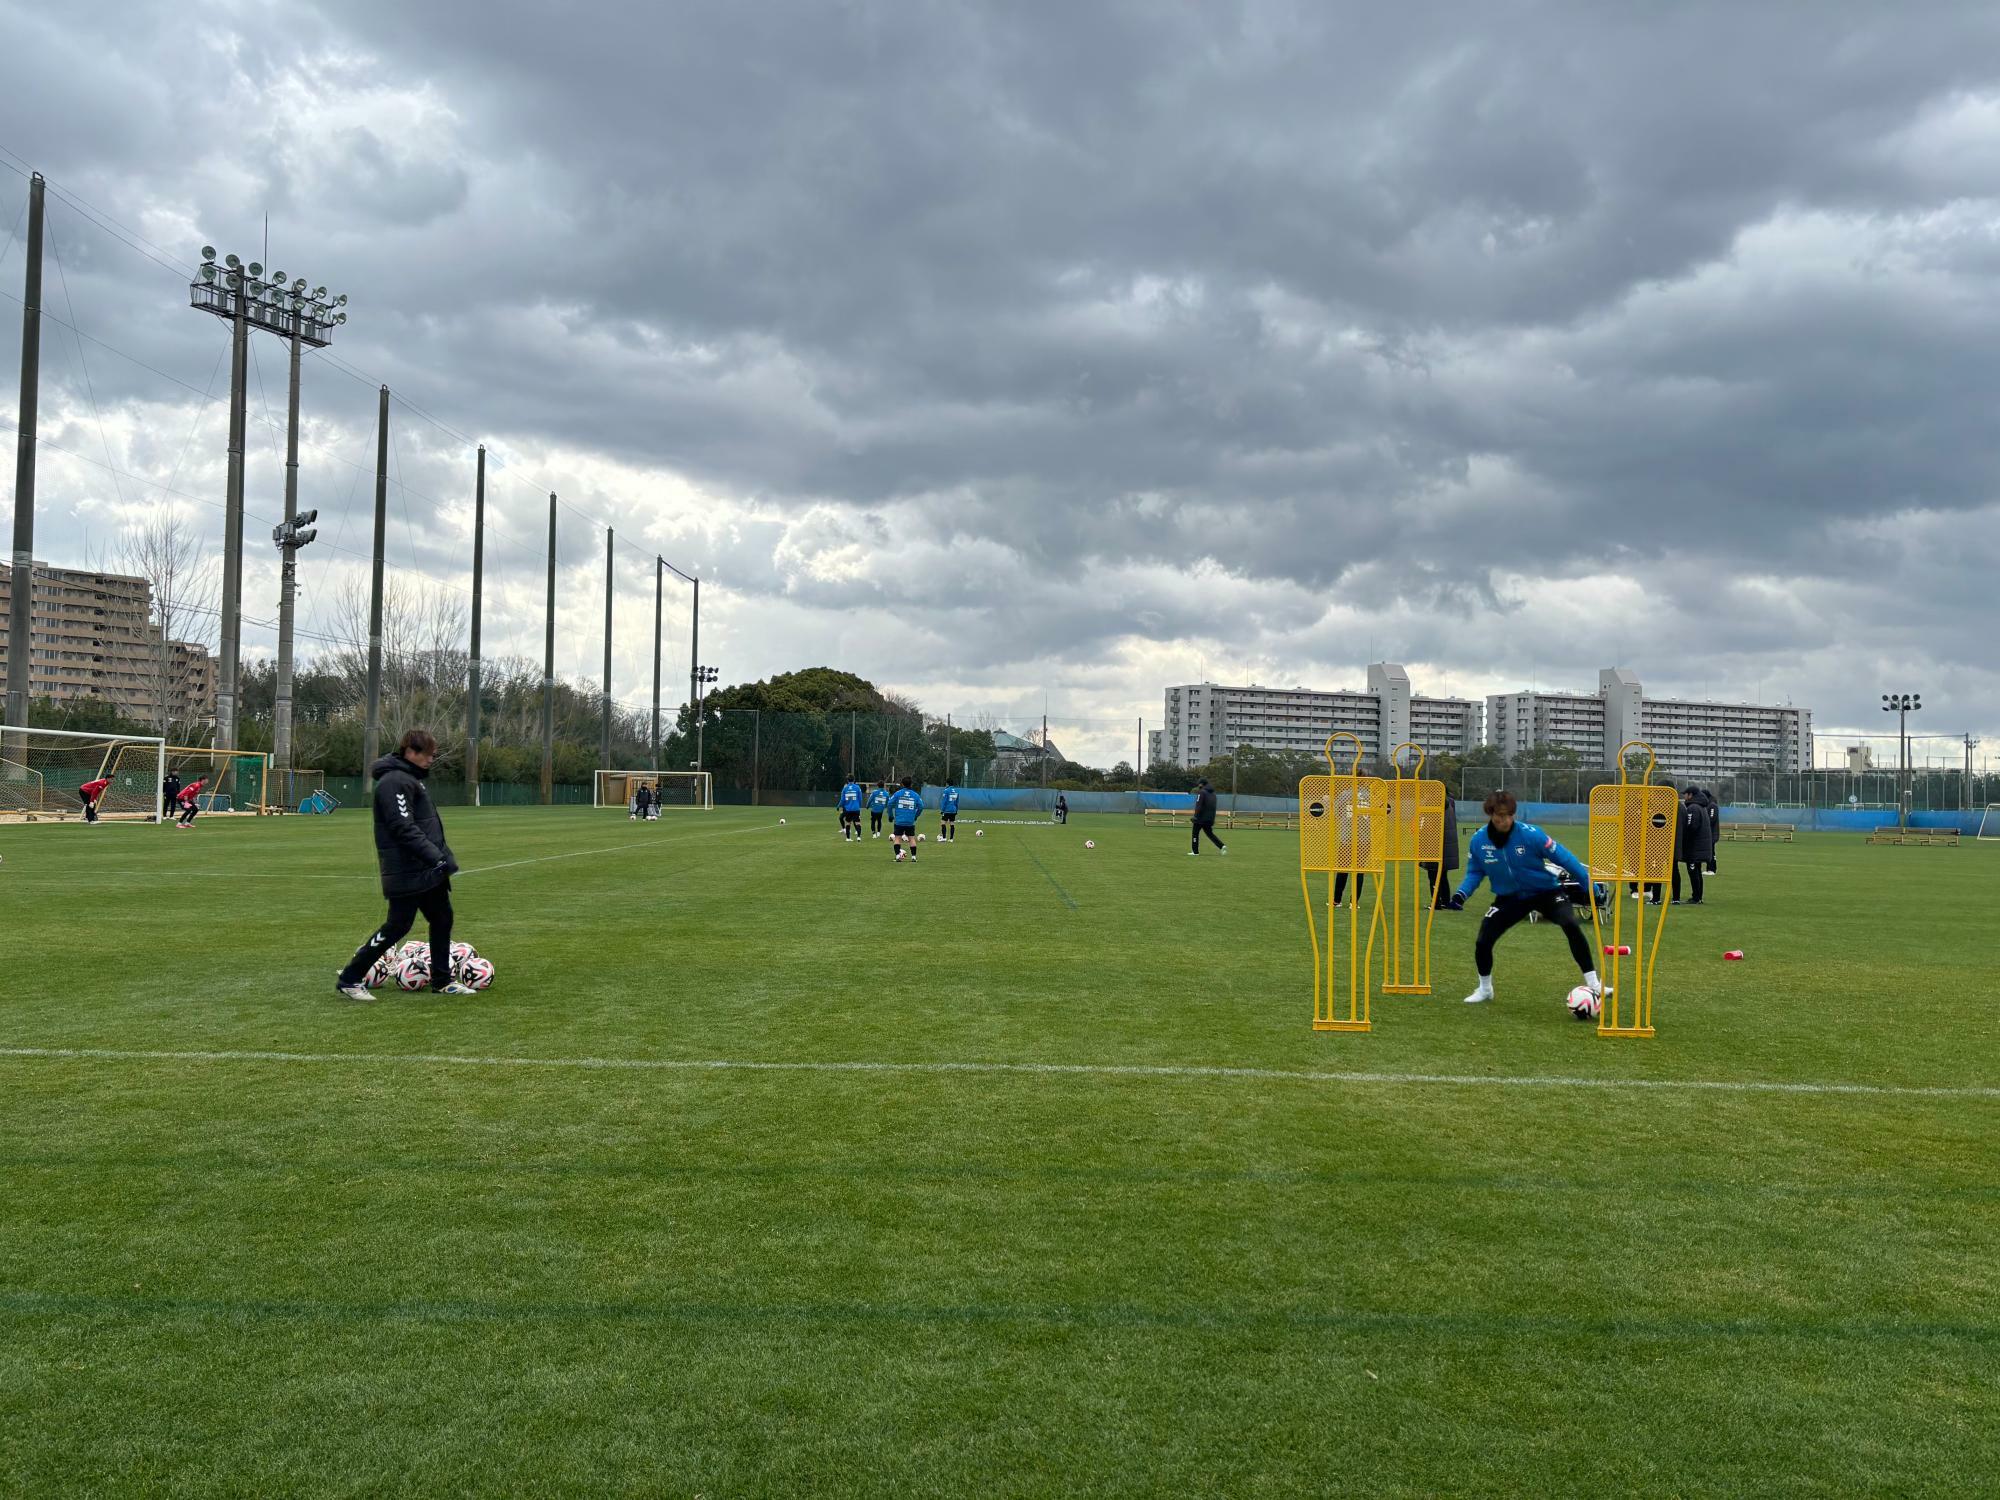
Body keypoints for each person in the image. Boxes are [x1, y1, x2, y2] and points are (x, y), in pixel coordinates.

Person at [334, 729, 475, 1002]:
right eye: (428, 754)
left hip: (424, 871)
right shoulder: (394, 782)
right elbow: (402, 827)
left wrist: (439, 858)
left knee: (442, 918)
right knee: (397, 925)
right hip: (408, 870)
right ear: (411, 751)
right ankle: (350, 977)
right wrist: (436, 856)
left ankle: (443, 981)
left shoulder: (409, 779)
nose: (432, 759)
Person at [1449, 790, 1604, 1008]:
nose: (1503, 820)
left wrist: (1589, 885)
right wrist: (1461, 894)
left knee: (1570, 923)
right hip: (1509, 898)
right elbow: (1475, 872)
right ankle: (1485, 989)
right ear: (1491, 814)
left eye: (1507, 815)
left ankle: (1594, 984)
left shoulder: (1532, 835)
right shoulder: (1479, 841)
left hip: (1545, 892)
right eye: (1498, 815)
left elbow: (1565, 859)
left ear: (1513, 814)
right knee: (1483, 940)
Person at [1674, 785, 1714, 905]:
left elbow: (1691, 827)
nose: (1684, 796)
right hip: (1701, 847)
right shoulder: (1701, 807)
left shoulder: (1693, 808)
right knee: (1697, 871)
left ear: (1690, 795)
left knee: (1693, 872)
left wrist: (1683, 838)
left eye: (1685, 794)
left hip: (1695, 848)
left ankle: (1696, 897)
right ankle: (1698, 897)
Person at [1427, 796, 1460, 908]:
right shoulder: (1450, 803)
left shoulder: (1433, 804)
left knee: (1433, 875)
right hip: (1447, 848)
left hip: (1434, 847)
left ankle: (1435, 903)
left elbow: (1427, 826)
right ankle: (1445, 901)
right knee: (1442, 876)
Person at [888, 776, 923, 862]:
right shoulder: (915, 795)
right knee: (911, 838)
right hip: (910, 821)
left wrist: (890, 815)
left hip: (899, 821)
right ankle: (914, 857)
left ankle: (897, 856)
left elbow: (889, 804)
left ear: (902, 784)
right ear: (911, 784)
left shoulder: (897, 794)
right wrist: (915, 816)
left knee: (897, 838)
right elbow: (921, 807)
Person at [1189, 778, 1226, 856]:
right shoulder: (1213, 794)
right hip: (1209, 819)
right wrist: (1211, 819)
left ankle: (1195, 852)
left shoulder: (1201, 792)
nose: (1198, 785)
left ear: (1202, 784)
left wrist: (1195, 816)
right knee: (1210, 834)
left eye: (1199, 784)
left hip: (1200, 818)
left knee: (1195, 834)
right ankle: (1222, 846)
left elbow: (1199, 805)